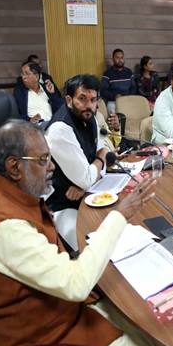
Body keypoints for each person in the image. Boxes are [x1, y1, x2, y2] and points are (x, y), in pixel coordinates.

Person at [0, 120, 162, 346]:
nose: (52, 166)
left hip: (51, 309)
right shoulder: (7, 228)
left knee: (144, 320)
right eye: (43, 160)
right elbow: (76, 285)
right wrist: (120, 215)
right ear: (14, 167)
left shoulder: (3, 191)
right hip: (38, 338)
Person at [45, 74, 109, 249]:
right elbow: (101, 158)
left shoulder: (90, 117)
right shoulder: (60, 129)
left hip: (87, 194)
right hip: (62, 205)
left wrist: (85, 184)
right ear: (69, 100)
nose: (89, 105)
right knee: (94, 248)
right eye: (82, 99)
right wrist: (98, 162)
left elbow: (102, 156)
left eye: (93, 100)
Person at [13, 61, 63, 126]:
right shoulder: (19, 92)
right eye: (22, 74)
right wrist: (29, 120)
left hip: (53, 123)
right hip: (35, 127)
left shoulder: (47, 88)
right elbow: (15, 115)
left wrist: (52, 94)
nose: (23, 77)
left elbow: (60, 109)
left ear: (36, 76)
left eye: (27, 74)